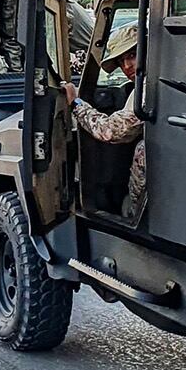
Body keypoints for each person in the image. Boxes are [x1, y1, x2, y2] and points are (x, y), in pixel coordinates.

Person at [63, 21, 146, 221]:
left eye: (132, 55)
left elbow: (111, 131)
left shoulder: (148, 87)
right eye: (120, 61)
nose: (126, 66)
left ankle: (133, 215)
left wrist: (76, 104)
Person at [55, 0, 95, 71]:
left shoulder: (65, 8)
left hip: (88, 57)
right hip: (89, 54)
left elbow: (60, 40)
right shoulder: (73, 5)